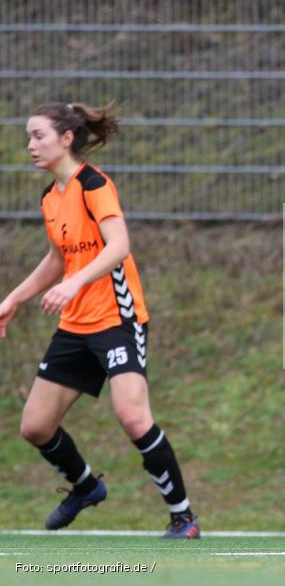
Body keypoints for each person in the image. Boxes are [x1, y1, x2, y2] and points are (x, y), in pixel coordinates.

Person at [0, 102, 199, 538]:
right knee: (34, 426)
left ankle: (182, 516)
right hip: (76, 325)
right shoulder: (51, 197)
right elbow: (58, 258)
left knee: (132, 416)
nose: (30, 145)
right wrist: (13, 299)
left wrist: (75, 284)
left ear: (66, 138)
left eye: (38, 136)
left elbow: (118, 246)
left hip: (116, 319)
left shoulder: (94, 184)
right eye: (29, 137)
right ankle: (86, 486)